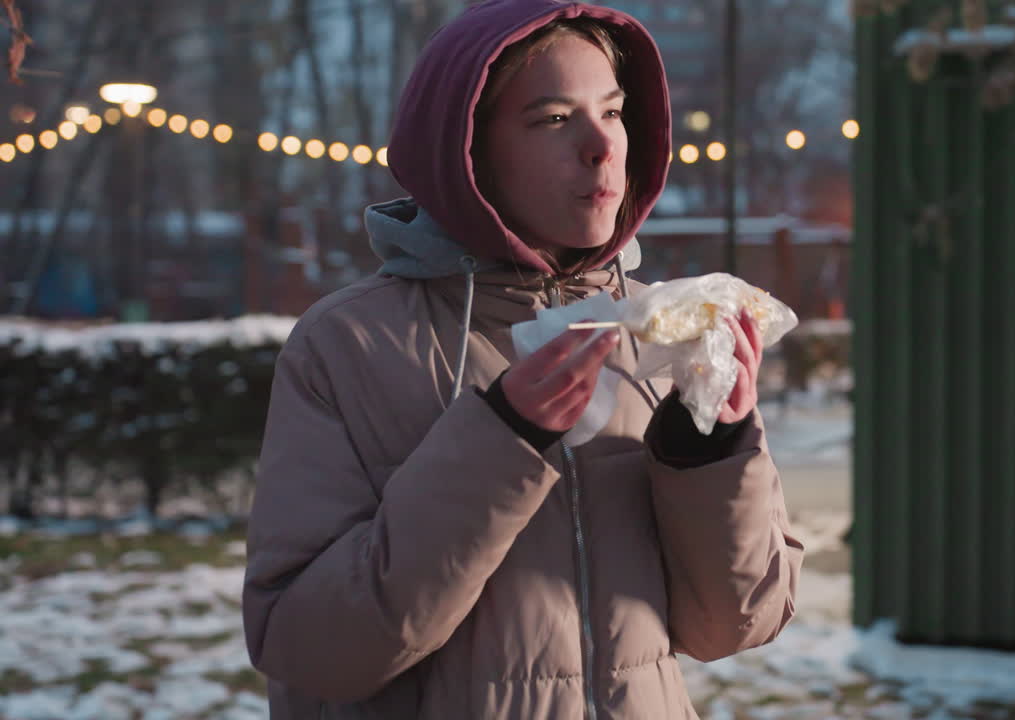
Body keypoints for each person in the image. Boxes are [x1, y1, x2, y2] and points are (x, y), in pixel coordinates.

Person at [241, 1, 804, 717]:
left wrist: (708, 449)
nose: (602, 147)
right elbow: (307, 646)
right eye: (553, 119)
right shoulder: (348, 344)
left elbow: (737, 624)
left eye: (612, 110)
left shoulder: (655, 333)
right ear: (467, 151)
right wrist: (502, 436)